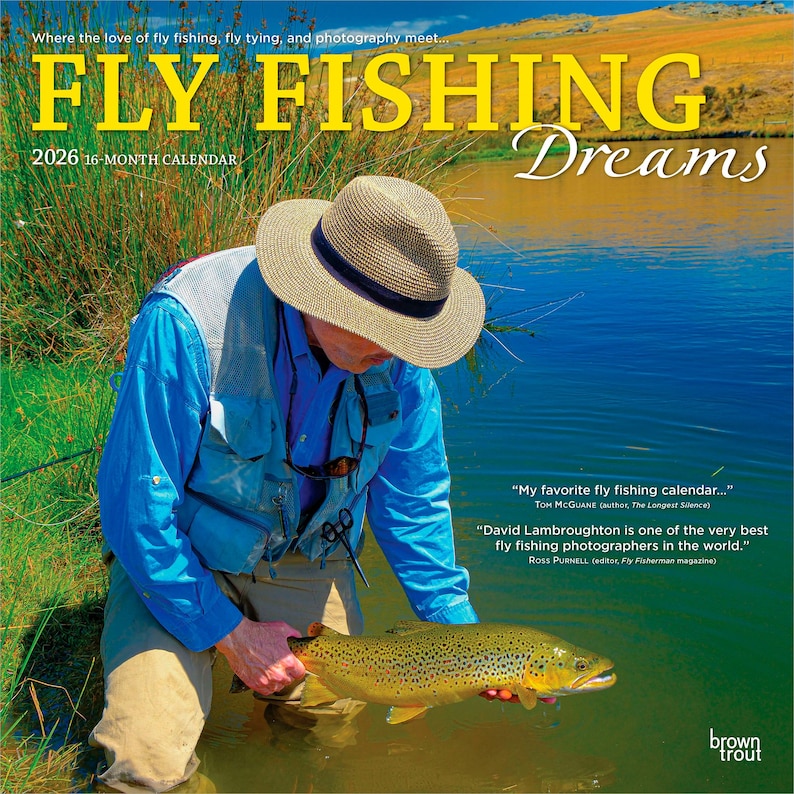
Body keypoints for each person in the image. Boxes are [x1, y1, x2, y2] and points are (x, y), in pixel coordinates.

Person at [89, 175, 493, 792]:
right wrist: (233, 636)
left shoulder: (398, 360)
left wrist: (472, 651)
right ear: (324, 298)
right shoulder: (187, 325)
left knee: (332, 726)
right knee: (146, 766)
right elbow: (138, 516)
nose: (401, 351)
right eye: (382, 329)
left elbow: (414, 511)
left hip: (306, 553)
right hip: (180, 551)